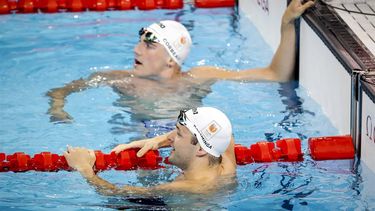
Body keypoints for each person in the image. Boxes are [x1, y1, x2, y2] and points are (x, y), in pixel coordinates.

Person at [47, 0, 315, 122]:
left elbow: (275, 75)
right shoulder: (120, 79)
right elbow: (61, 90)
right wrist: (58, 109)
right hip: (140, 150)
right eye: (140, 42)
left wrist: (286, 24)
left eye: (149, 46)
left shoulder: (199, 77)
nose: (136, 50)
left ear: (171, 61)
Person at [64, 107, 237, 194]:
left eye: (178, 134)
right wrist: (157, 141)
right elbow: (226, 134)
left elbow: (117, 194)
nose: (170, 139)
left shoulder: (185, 188)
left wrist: (86, 170)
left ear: (200, 149)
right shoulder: (226, 166)